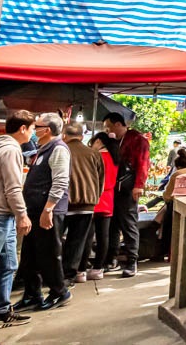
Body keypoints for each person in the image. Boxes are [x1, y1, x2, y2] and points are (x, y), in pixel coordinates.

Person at [14, 113, 72, 312]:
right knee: (30, 254)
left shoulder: (58, 149)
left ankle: (59, 291)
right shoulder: (43, 149)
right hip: (35, 208)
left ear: (46, 130)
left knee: (49, 253)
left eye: (36, 126)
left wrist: (49, 208)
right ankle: (32, 293)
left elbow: (60, 181)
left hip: (48, 210)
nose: (33, 129)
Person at [0, 111, 34, 329]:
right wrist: (22, 214)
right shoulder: (10, 150)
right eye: (32, 128)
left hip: (0, 215)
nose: (33, 133)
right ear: (23, 128)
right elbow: (13, 188)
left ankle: (2, 311)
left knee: (8, 264)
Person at [103, 111, 150, 278]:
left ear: (118, 124)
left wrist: (139, 185)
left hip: (128, 188)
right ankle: (112, 259)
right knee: (113, 224)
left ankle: (132, 261)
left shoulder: (137, 140)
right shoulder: (114, 141)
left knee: (128, 223)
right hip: (113, 189)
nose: (107, 130)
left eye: (108, 127)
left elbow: (143, 163)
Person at [60, 123, 104, 284]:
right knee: (77, 242)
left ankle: (54, 274)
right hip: (87, 204)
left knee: (55, 240)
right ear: (82, 136)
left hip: (64, 203)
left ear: (64, 135)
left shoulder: (61, 151)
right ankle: (68, 276)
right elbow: (101, 180)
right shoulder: (94, 153)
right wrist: (94, 199)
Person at [83, 133, 118, 280]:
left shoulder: (96, 157)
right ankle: (98, 268)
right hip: (108, 200)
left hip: (93, 199)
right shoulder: (115, 157)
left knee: (87, 236)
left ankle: (81, 269)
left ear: (98, 141)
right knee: (104, 236)